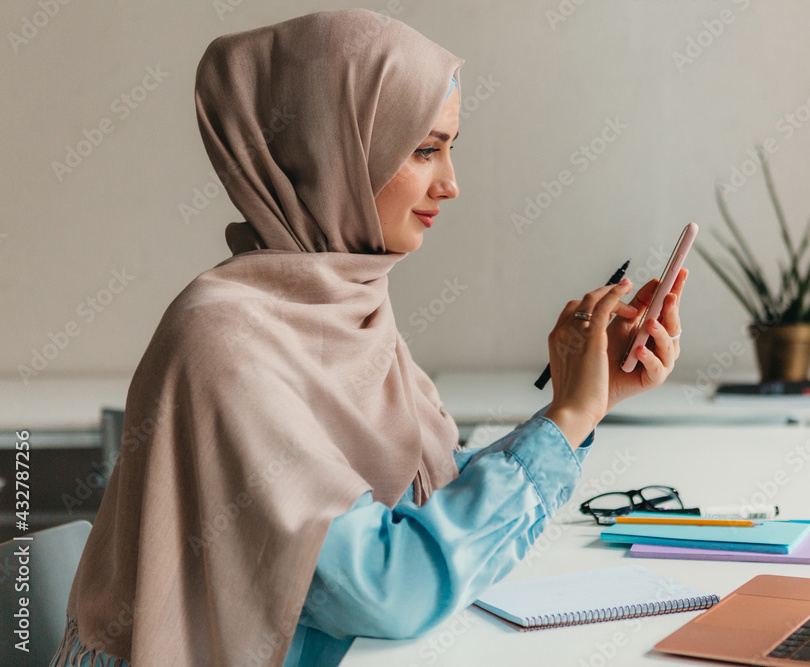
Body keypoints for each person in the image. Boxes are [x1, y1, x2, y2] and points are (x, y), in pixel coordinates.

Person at [51, 9, 687, 667]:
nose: (451, 183)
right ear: (335, 152)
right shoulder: (222, 341)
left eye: (451, 145)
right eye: (424, 148)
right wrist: (566, 416)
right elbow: (391, 588)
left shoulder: (342, 306)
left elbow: (425, 496)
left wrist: (585, 402)